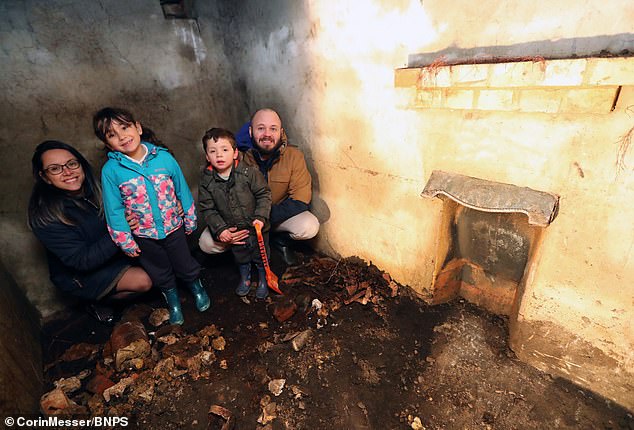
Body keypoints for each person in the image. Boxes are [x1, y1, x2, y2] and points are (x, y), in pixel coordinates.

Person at [93, 107, 210, 325]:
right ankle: (173, 301)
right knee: (159, 271)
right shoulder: (111, 170)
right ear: (107, 144)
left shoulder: (163, 157)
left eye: (125, 128)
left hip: (173, 227)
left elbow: (181, 188)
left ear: (138, 127)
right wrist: (124, 239)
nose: (122, 136)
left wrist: (190, 216)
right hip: (144, 236)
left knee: (185, 263)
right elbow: (113, 209)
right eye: (112, 135)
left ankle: (197, 287)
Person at [28, 140, 153, 324]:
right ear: (45, 177)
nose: (67, 172)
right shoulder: (45, 216)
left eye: (71, 163)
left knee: (161, 263)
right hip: (81, 274)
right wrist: (120, 230)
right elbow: (82, 260)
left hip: (113, 252)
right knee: (145, 280)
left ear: (81, 164)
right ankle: (94, 302)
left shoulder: (97, 187)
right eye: (55, 169)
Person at [199, 108, 319, 265]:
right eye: (261, 128)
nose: (267, 134)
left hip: (275, 217)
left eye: (273, 129)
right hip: (240, 221)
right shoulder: (235, 157)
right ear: (250, 131)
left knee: (309, 225)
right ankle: (240, 249)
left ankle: (278, 241)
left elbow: (301, 200)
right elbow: (213, 200)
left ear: (281, 132)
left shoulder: (294, 156)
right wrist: (225, 228)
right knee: (206, 243)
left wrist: (262, 219)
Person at [198, 128, 272, 299]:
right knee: (240, 255)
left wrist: (261, 217)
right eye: (213, 151)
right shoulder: (207, 182)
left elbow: (264, 194)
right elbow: (208, 209)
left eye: (225, 149)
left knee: (261, 254)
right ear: (207, 157)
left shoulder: (249, 173)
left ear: (235, 153)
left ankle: (263, 277)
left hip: (256, 226)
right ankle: (245, 277)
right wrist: (220, 229)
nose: (219, 155)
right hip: (234, 230)